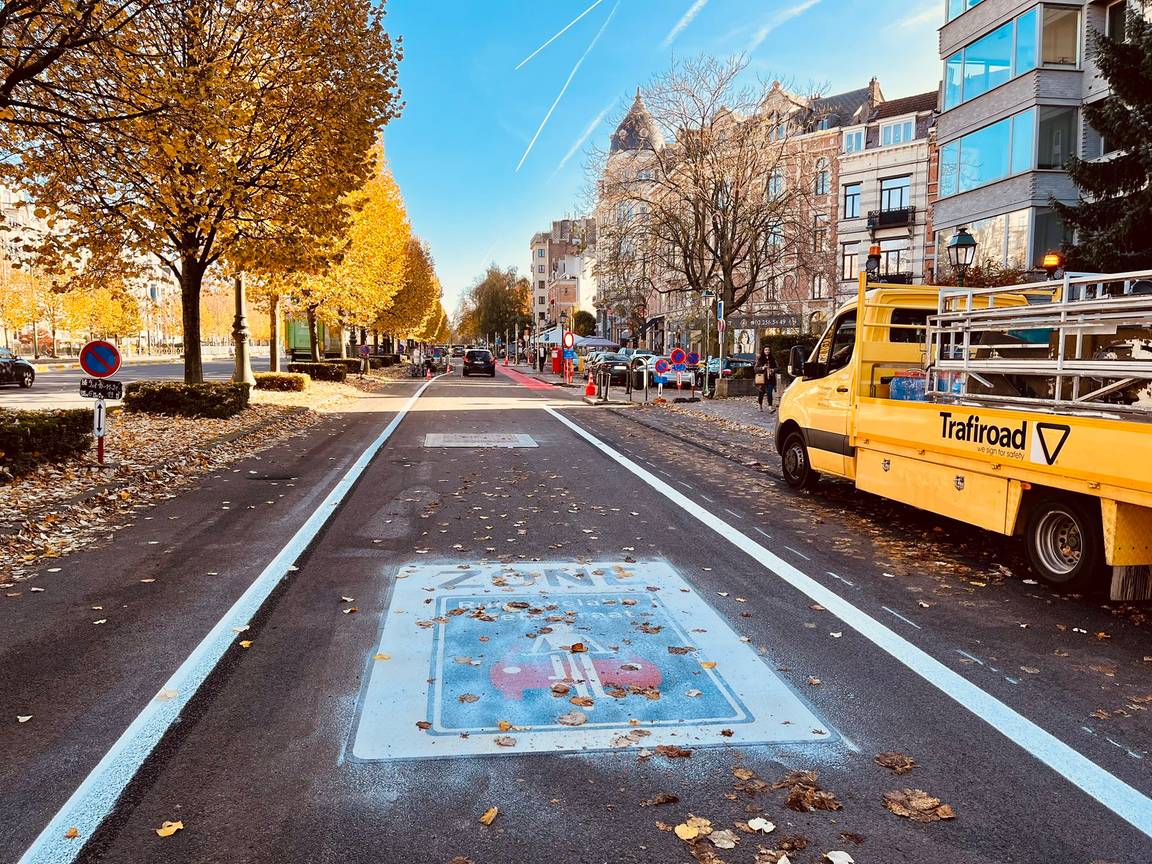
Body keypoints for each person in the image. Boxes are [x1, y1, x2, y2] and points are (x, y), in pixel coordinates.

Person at [755, 345, 779, 412]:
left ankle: (770, 407)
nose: (767, 351)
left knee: (769, 393)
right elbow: (755, 369)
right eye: (766, 350)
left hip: (771, 379)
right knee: (761, 393)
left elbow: (778, 368)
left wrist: (773, 370)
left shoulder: (773, 359)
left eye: (768, 350)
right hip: (762, 379)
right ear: (763, 351)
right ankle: (760, 406)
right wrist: (762, 368)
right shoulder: (760, 359)